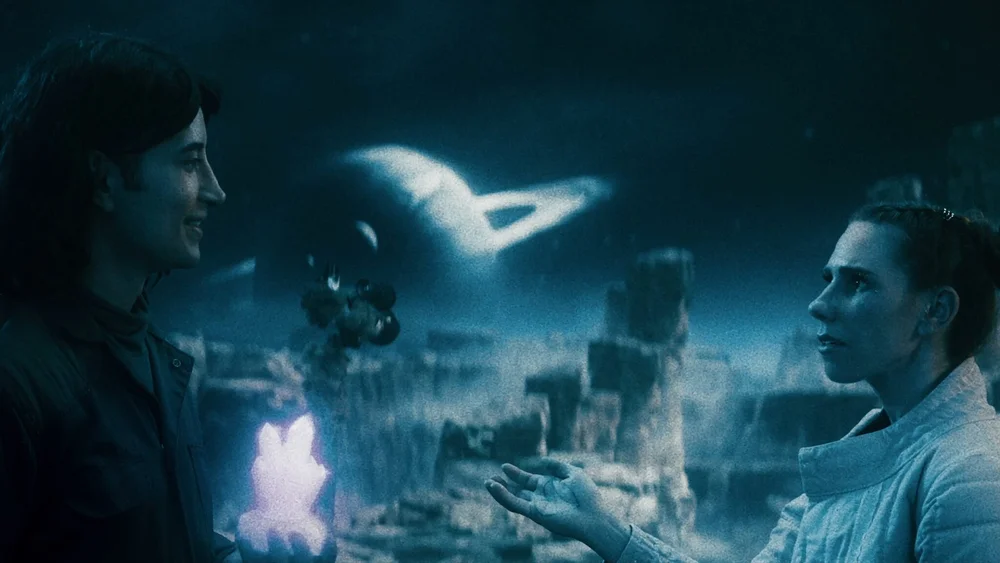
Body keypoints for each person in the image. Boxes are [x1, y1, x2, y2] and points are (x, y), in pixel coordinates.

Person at [486, 202, 1000, 562]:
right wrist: (606, 530)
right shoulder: (856, 466)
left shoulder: (970, 478)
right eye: (829, 280)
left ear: (936, 310)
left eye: (858, 282)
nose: (819, 305)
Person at [0, 32, 237, 562]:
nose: (215, 191)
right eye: (189, 162)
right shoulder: (18, 385)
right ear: (105, 180)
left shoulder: (157, 361)